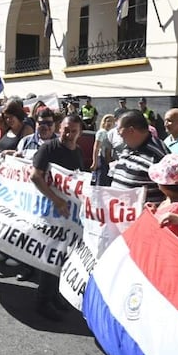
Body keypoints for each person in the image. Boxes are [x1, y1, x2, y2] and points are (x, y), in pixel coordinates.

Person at [30, 114, 85, 321]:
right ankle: (42, 301)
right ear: (59, 128)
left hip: (68, 215)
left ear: (79, 132)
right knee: (51, 255)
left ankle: (54, 295)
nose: (68, 134)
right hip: (51, 211)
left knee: (63, 255)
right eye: (65, 129)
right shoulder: (48, 148)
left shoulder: (78, 151)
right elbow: (35, 176)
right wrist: (56, 200)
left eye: (73, 131)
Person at [110, 111, 170, 205]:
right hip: (121, 214)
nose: (118, 133)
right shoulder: (128, 145)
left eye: (119, 129)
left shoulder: (158, 156)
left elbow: (172, 194)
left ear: (131, 130)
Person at [90, 114, 114, 186]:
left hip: (107, 161)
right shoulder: (102, 132)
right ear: (104, 122)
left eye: (112, 121)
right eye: (108, 121)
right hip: (101, 159)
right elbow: (96, 147)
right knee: (100, 182)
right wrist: (95, 162)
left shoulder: (110, 133)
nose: (109, 123)